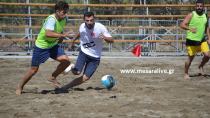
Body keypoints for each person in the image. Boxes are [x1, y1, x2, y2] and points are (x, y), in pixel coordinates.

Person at [16, 1, 72, 95]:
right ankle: (20, 86)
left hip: (52, 46)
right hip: (41, 47)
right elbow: (48, 33)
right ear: (57, 11)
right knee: (34, 70)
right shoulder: (51, 19)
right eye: (64, 12)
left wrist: (61, 37)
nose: (66, 14)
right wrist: (63, 35)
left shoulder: (63, 19)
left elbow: (58, 32)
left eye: (66, 12)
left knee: (66, 61)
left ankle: (52, 77)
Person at [62, 11, 114, 89]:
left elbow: (112, 40)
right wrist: (72, 41)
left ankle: (66, 86)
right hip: (84, 52)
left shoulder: (100, 27)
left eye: (91, 20)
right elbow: (79, 33)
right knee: (77, 72)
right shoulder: (82, 26)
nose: (89, 22)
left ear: (94, 19)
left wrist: (105, 37)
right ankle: (73, 67)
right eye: (87, 20)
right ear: (84, 20)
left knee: (86, 77)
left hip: (95, 57)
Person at [180, 0, 210, 79]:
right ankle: (186, 73)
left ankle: (200, 66)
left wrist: (209, 38)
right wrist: (189, 28)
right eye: (198, 6)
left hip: (202, 40)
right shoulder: (191, 14)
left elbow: (207, 27)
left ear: (203, 7)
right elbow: (182, 24)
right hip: (191, 41)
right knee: (190, 58)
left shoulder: (205, 15)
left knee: (207, 55)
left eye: (201, 6)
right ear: (195, 7)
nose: (199, 7)